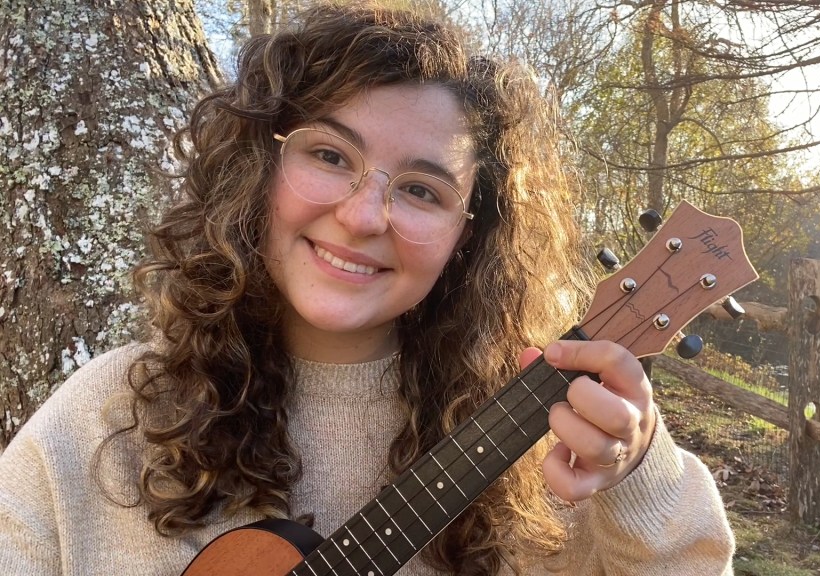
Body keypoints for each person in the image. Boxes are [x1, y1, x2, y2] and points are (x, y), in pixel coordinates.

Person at [0, 3, 734, 575]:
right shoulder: (104, 421)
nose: (360, 216)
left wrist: (635, 475)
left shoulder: (545, 453)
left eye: (420, 189)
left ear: (468, 237)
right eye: (329, 154)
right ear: (259, 166)